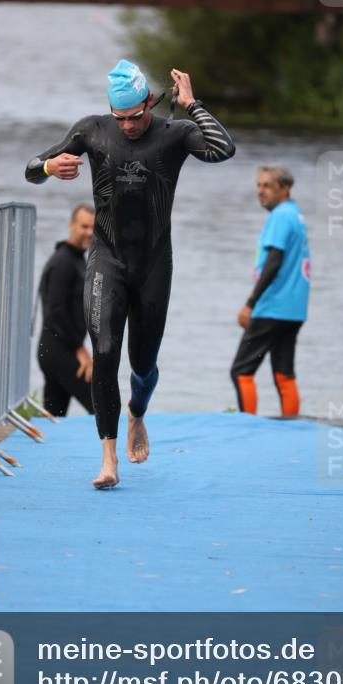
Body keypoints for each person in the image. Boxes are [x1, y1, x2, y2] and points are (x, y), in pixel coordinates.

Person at [25, 61, 235, 489]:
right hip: (107, 261)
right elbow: (31, 168)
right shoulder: (92, 130)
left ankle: (137, 412)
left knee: (143, 364)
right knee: (104, 352)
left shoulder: (174, 133)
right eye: (119, 118)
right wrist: (48, 169)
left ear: (149, 102)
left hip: (154, 266)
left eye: (135, 116)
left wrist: (192, 104)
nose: (127, 126)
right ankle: (108, 458)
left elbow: (223, 148)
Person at [231, 165, 310, 417]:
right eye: (258, 185)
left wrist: (250, 303)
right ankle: (292, 425)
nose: (260, 191)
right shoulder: (295, 214)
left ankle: (248, 426)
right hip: (293, 309)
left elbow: (274, 262)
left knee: (241, 371)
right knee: (283, 372)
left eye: (267, 185)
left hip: (272, 306)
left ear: (284, 188)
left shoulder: (280, 216)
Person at [37, 204, 96, 418]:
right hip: (58, 350)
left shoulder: (78, 258)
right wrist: (79, 349)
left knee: (54, 415)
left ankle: (47, 439)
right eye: (84, 226)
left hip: (59, 349)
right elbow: (56, 311)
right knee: (101, 403)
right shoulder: (63, 262)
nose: (89, 232)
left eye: (93, 228)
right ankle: (119, 440)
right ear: (71, 225)